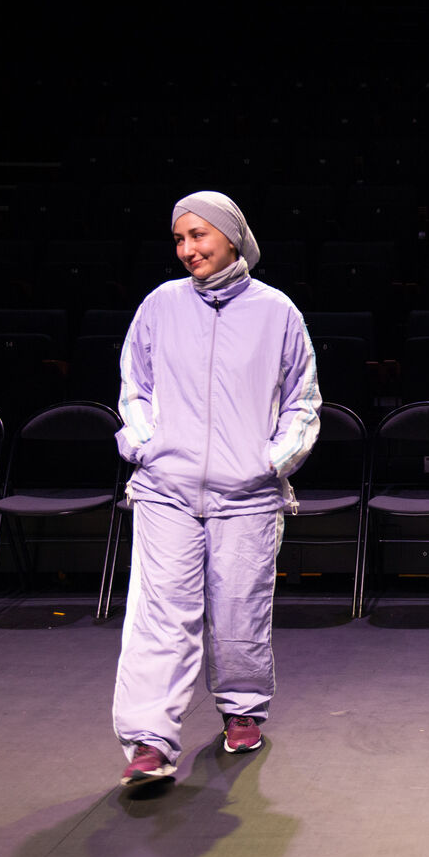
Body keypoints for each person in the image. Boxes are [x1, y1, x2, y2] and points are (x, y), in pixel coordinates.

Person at [112, 191, 321, 786]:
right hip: (166, 489)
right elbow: (135, 386)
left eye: (198, 235)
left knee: (239, 609)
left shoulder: (276, 311)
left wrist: (272, 461)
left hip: (247, 492)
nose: (188, 249)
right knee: (160, 614)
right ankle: (150, 739)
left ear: (232, 236)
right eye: (179, 239)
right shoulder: (161, 304)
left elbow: (302, 400)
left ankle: (242, 708)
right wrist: (146, 446)